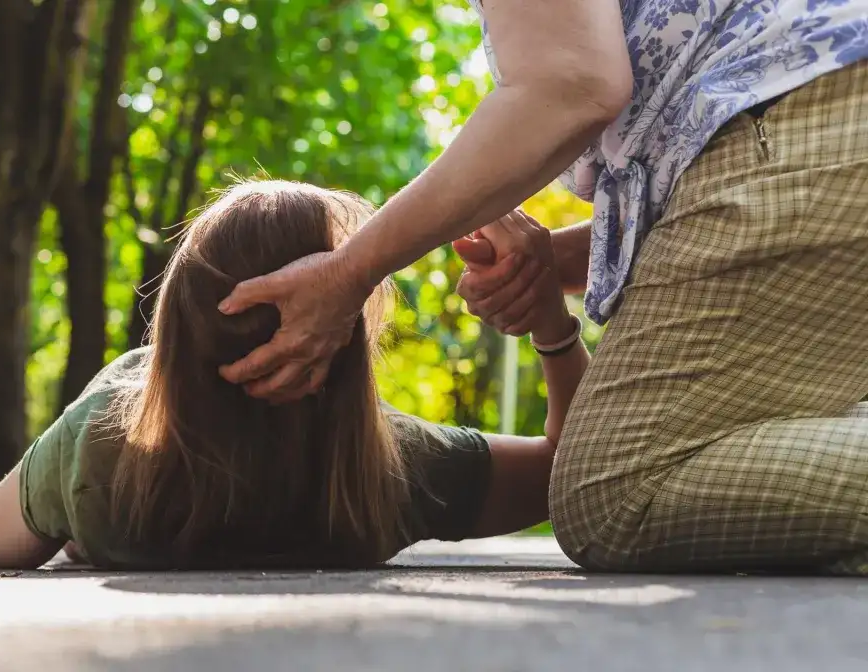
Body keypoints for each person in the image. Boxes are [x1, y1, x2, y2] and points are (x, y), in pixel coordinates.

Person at [215, 0, 868, 573]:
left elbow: (572, 85)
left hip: (809, 114)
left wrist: (352, 269)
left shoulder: (112, 455)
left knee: (612, 496)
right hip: (828, 109)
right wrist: (548, 269)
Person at [0, 181, 588, 569]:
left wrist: (67, 498)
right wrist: (553, 329)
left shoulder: (100, 450)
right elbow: (573, 472)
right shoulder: (394, 470)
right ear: (340, 344)